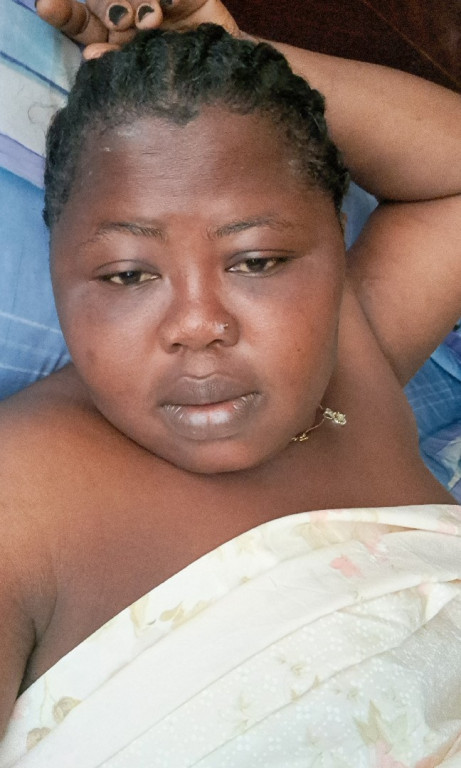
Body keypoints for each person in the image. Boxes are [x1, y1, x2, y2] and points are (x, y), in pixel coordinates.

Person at [0, 1, 461, 764]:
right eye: (127, 274)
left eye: (256, 261)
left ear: (334, 247)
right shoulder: (18, 496)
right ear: (58, 274)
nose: (198, 323)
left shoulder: (350, 366)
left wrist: (237, 59)